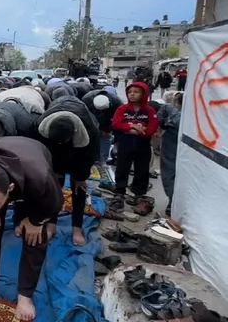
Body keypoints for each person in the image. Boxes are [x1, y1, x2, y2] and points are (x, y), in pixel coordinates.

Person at [0, 137, 63, 321]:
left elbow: (55, 203)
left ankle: (25, 295)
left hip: (35, 152)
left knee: (34, 237)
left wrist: (36, 221)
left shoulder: (40, 177)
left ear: (11, 188)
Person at [35, 96, 100, 246]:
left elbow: (90, 155)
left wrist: (81, 176)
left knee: (79, 188)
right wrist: (52, 169)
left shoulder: (90, 130)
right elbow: (39, 149)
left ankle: (77, 229)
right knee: (54, 187)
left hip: (80, 152)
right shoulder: (40, 125)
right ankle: (51, 224)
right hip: (54, 152)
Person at [111, 82, 159, 213]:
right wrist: (130, 127)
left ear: (144, 94)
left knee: (142, 170)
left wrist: (142, 132)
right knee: (122, 168)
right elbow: (116, 123)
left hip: (142, 145)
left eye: (136, 92)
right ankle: (119, 192)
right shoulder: (122, 109)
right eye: (130, 92)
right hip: (125, 144)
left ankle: (139, 194)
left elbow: (153, 126)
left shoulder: (149, 110)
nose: (132, 94)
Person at [157, 92, 182, 216]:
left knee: (169, 171)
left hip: (172, 138)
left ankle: (173, 203)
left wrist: (163, 124)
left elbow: (161, 116)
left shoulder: (170, 109)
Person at [82, 90, 123, 164]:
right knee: (90, 139)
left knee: (106, 139)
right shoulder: (86, 100)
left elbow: (119, 119)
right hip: (92, 120)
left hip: (107, 121)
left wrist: (108, 129)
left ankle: (103, 160)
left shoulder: (116, 102)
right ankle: (91, 159)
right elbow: (84, 117)